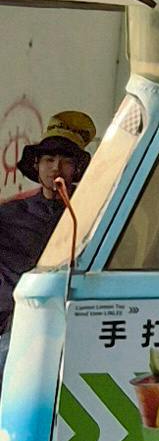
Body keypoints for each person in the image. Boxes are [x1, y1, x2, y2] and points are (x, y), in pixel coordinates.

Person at [0, 131, 91, 333]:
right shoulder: (9, 215)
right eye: (49, 160)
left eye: (66, 161)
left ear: (76, 169)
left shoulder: (91, 212)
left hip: (74, 316)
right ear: (36, 165)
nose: (56, 168)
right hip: (16, 321)